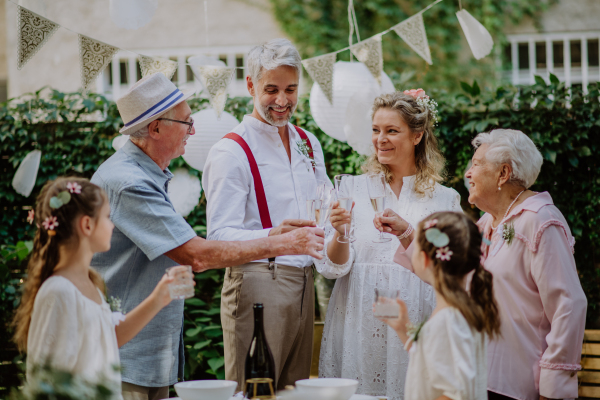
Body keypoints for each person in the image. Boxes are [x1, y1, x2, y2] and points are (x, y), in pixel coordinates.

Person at [90, 72, 324, 399]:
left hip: (146, 354)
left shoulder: (145, 175)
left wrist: (273, 233)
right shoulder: (131, 183)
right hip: (126, 359)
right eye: (186, 122)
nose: (194, 130)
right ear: (156, 128)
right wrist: (282, 243)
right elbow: (197, 255)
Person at [315, 90, 462, 399]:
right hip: (359, 321)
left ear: (417, 135)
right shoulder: (353, 188)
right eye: (376, 130)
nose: (380, 139)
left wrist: (409, 232)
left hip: (415, 319)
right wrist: (341, 233)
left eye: (392, 131)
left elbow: (454, 271)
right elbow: (332, 269)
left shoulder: (444, 198)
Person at [202, 38, 331, 391]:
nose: (282, 100)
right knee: (254, 391)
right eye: (271, 89)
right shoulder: (230, 151)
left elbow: (327, 204)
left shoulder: (309, 141)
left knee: (295, 391)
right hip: (258, 281)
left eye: (291, 89)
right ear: (250, 85)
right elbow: (218, 237)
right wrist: (274, 237)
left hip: (306, 282)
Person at [12, 177, 186, 398]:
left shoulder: (89, 283)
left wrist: (158, 299)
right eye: (106, 216)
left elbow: (107, 337)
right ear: (87, 225)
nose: (112, 224)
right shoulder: (58, 291)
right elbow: (44, 381)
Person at [464, 129, 587, 400]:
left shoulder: (541, 220)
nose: (468, 174)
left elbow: (569, 305)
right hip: (479, 379)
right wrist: (405, 235)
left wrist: (553, 389)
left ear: (503, 174)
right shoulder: (487, 222)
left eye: (476, 164)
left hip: (520, 387)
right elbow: (450, 272)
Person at [380, 212, 501, 400]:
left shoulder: (447, 321)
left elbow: (452, 394)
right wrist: (405, 330)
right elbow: (435, 361)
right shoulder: (463, 311)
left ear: (424, 260)